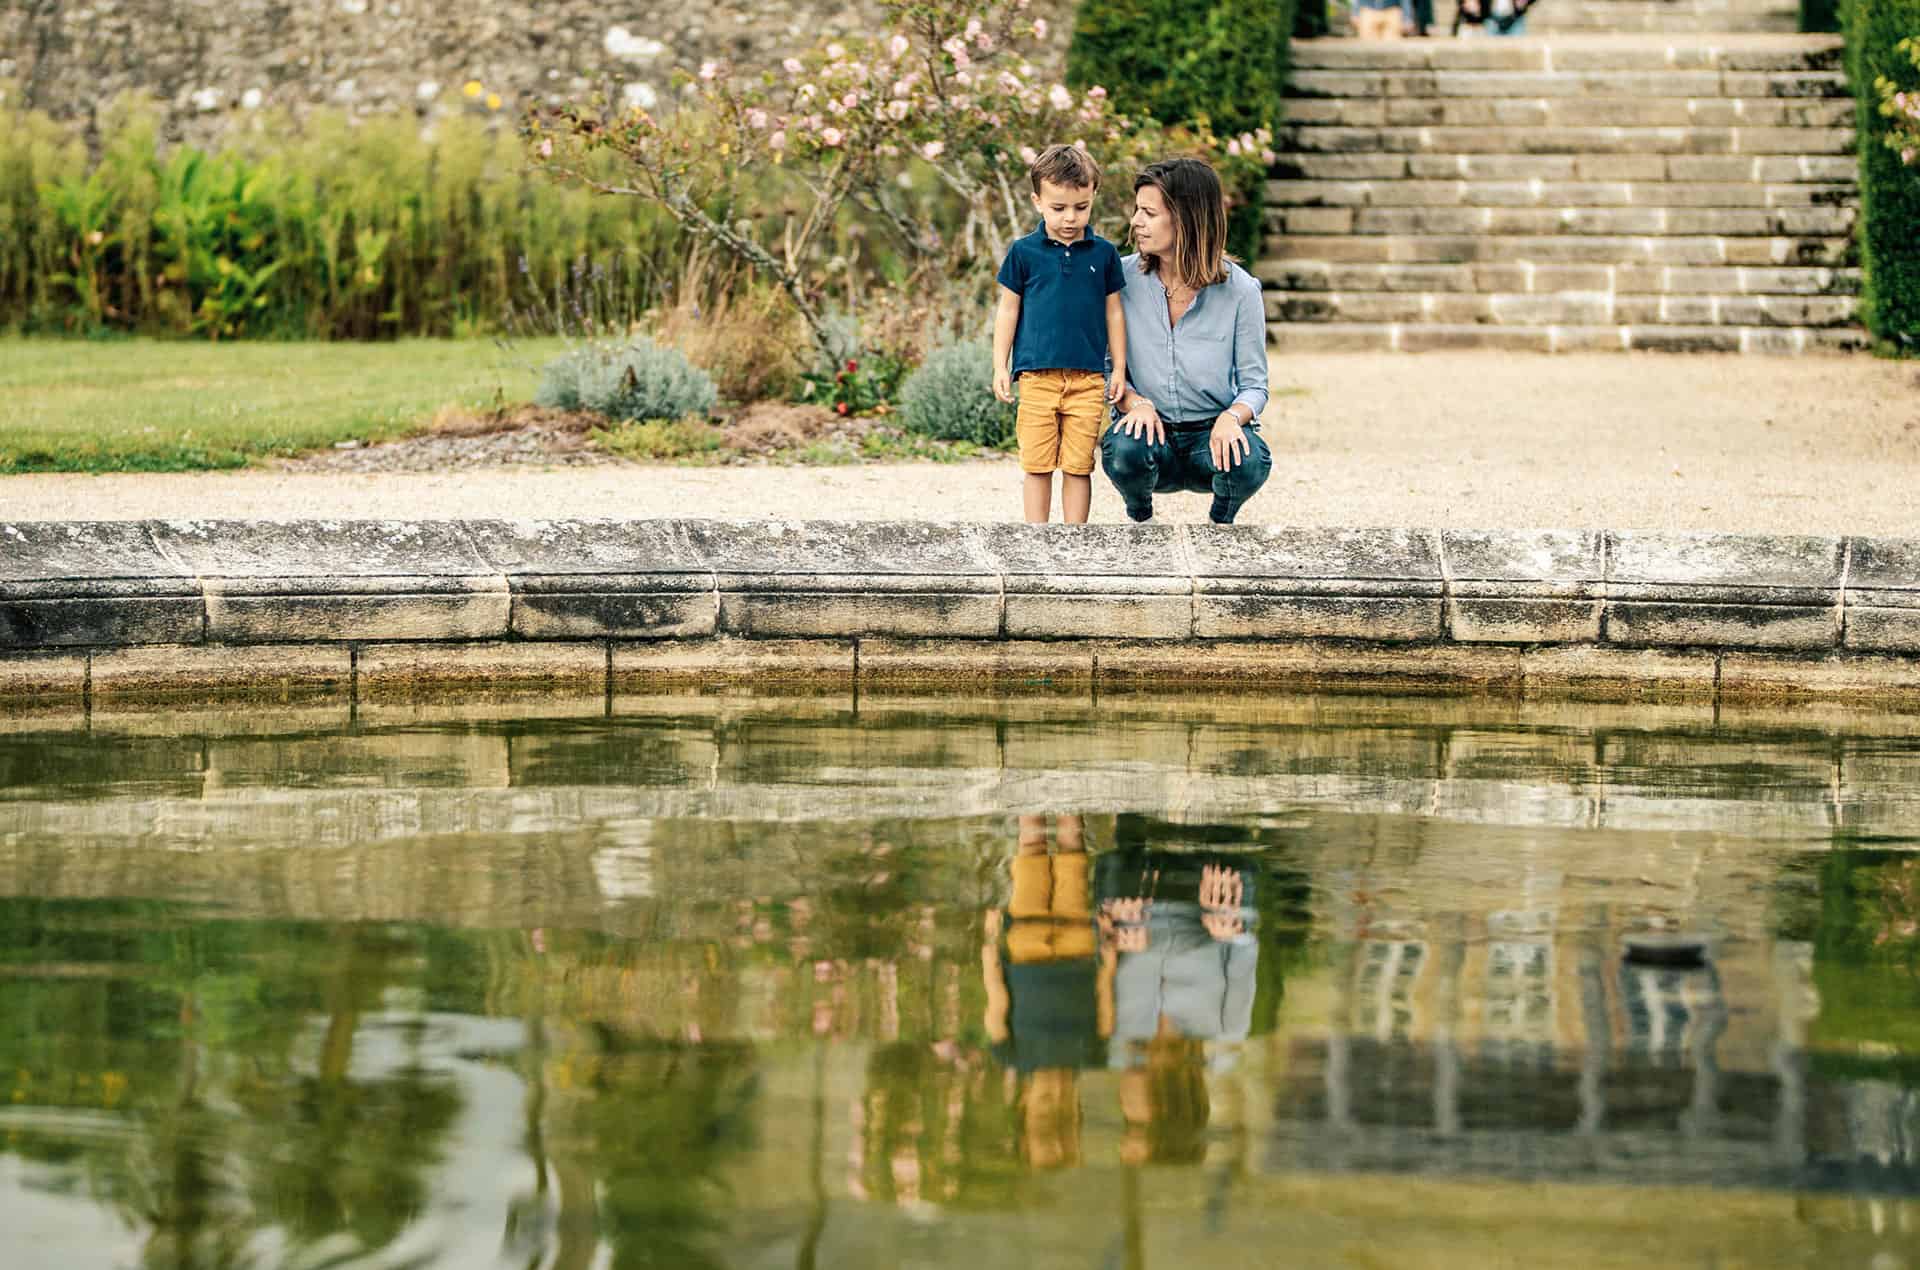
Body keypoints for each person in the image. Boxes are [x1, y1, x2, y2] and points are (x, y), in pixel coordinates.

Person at [1104, 158, 1273, 525]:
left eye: (1149, 213)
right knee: (1123, 450)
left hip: (1210, 437)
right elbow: (1108, 366)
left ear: (1185, 219)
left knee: (1251, 460)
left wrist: (1232, 418)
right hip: (1151, 433)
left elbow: (1255, 385)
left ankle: (1219, 525)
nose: (1136, 222)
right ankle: (1141, 519)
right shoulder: (1119, 278)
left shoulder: (1241, 291)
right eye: (1138, 210)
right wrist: (1134, 403)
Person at [992, 144, 1129, 524]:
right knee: (1037, 463)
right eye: (1059, 208)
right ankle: (1037, 538)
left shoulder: (1103, 254)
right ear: (1037, 201)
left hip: (1087, 378)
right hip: (1036, 376)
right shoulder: (1023, 252)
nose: (1070, 217)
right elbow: (1008, 309)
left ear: (1092, 197)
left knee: (1078, 465)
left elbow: (1114, 312)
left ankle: (1076, 543)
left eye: (1081, 207)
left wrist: (1118, 369)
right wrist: (1000, 366)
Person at [980, 813, 1117, 1168]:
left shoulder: (1011, 1055)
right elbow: (1105, 998)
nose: (1053, 1094)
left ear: (1025, 1102)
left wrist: (989, 946)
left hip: (1027, 944)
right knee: (1072, 845)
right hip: (1077, 944)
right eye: (1061, 1108)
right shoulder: (1093, 1055)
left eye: (1045, 1105)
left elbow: (997, 998)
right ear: (1075, 1109)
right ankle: (1073, 783)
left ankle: (1030, 784)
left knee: (1031, 844)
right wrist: (1111, 953)